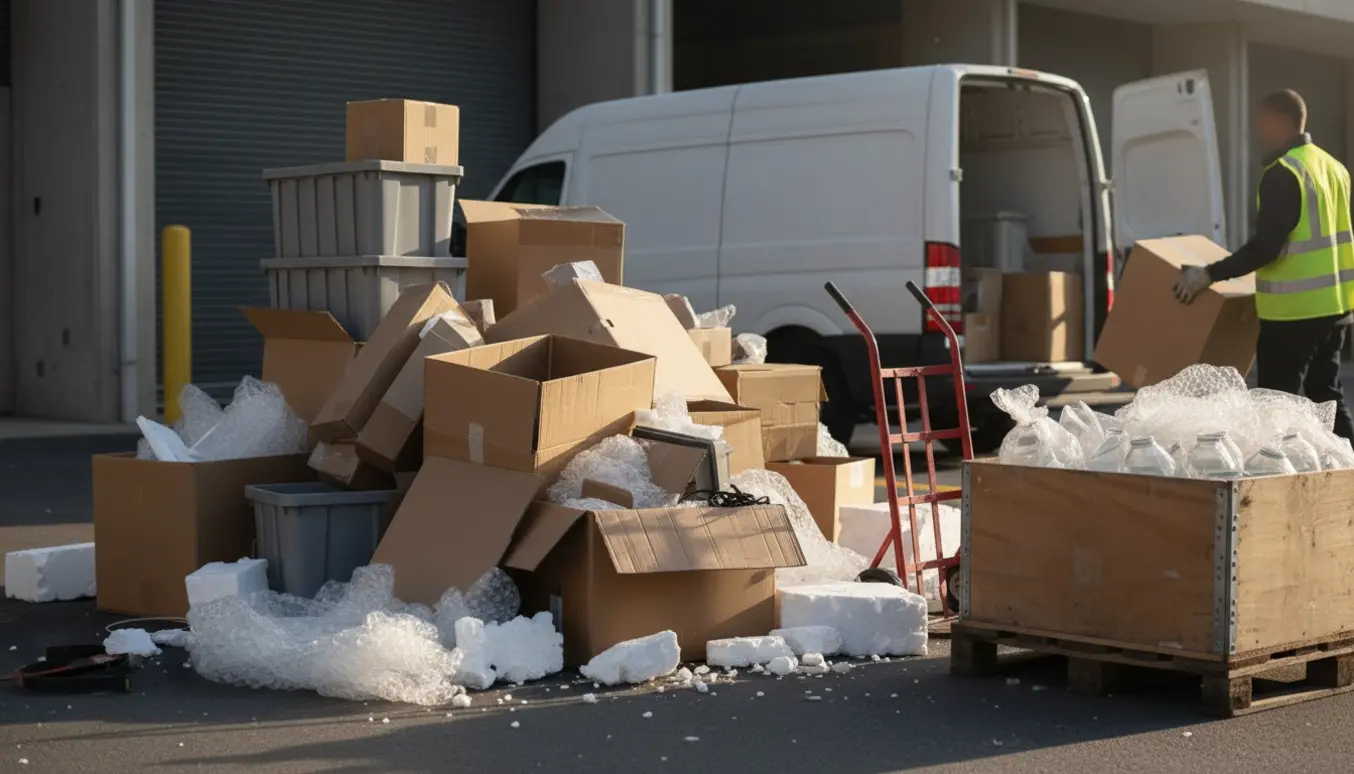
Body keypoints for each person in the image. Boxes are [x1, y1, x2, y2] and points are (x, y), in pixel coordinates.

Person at [1173, 89, 1354, 443]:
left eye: (1261, 121)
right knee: (1328, 397)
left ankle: (1279, 473)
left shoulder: (1284, 172)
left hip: (1293, 314)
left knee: (1275, 406)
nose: (1257, 131)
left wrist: (1207, 275)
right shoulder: (1333, 167)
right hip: (1335, 309)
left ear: (1279, 121)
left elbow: (1266, 248)